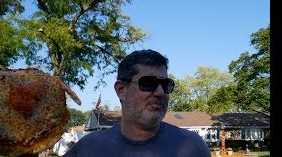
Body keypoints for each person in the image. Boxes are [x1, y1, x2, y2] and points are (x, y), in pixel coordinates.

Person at [64, 49, 211, 157]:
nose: (160, 92)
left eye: (166, 84)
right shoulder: (88, 149)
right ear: (121, 90)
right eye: (148, 83)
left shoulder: (193, 147)